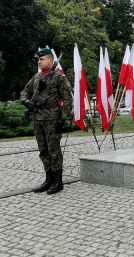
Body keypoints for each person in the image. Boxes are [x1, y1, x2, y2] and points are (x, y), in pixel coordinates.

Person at [20, 48, 73, 195]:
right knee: (43, 150)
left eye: (41, 59)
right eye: (38, 59)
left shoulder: (58, 77)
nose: (39, 61)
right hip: (38, 118)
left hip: (52, 118)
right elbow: (25, 91)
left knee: (53, 150)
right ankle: (48, 179)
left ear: (50, 61)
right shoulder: (36, 78)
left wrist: (63, 118)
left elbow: (67, 98)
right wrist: (26, 102)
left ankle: (58, 181)